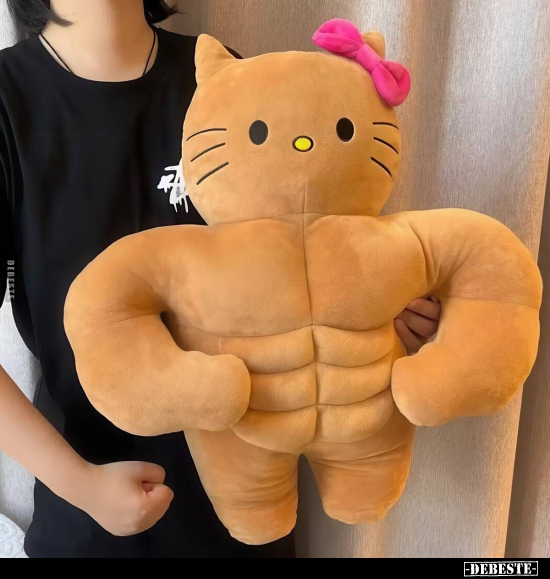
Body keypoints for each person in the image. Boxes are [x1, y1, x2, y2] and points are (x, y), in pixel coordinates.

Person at [0, 0, 441, 558]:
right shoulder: (9, 100)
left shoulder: (224, 75)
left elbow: (309, 259)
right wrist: (80, 484)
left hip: (252, 493)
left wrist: (382, 311)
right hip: (87, 507)